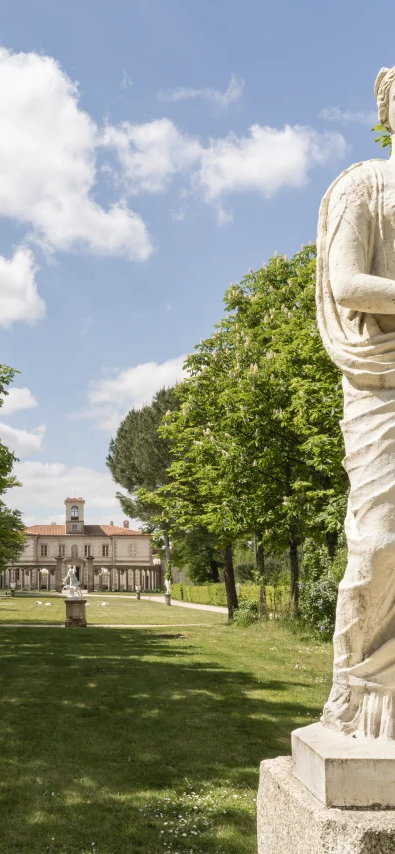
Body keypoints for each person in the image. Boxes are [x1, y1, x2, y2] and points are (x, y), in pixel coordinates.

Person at [316, 66, 395, 738]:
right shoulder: (363, 185)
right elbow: (347, 282)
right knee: (379, 543)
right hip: (380, 381)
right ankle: (358, 688)